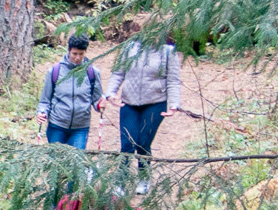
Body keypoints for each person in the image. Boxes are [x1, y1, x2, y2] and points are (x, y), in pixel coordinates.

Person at [112, 29, 186, 195]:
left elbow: (173, 81)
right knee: (127, 143)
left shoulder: (168, 52)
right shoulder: (129, 48)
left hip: (155, 103)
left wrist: (174, 104)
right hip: (129, 102)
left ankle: (143, 178)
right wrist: (110, 93)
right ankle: (120, 181)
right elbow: (118, 73)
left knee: (143, 142)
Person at [37, 32, 104, 148]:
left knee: (76, 163)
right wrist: (42, 112)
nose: (77, 58)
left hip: (80, 128)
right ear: (68, 50)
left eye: (81, 54)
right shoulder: (54, 71)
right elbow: (45, 100)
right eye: (74, 53)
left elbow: (97, 100)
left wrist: (100, 105)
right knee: (57, 162)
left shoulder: (92, 73)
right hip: (57, 126)